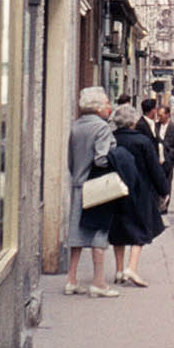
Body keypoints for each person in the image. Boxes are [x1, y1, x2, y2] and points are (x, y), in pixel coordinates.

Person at [64, 86, 120, 298]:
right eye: (106, 103)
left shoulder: (76, 126)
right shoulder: (102, 128)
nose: (109, 107)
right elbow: (101, 158)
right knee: (99, 232)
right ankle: (98, 282)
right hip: (97, 186)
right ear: (97, 108)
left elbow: (70, 161)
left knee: (76, 233)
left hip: (78, 185)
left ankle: (71, 279)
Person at [109, 103, 168, 286]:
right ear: (133, 121)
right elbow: (154, 168)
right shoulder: (142, 141)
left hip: (115, 189)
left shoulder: (111, 140)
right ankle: (132, 268)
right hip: (140, 190)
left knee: (117, 228)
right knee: (142, 228)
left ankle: (119, 270)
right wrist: (164, 190)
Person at [157, 104, 174, 213]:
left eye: (161, 115)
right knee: (157, 181)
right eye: (158, 115)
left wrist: (170, 157)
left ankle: (165, 205)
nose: (159, 117)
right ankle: (158, 203)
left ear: (167, 115)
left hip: (168, 160)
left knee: (167, 182)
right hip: (157, 159)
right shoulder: (155, 126)